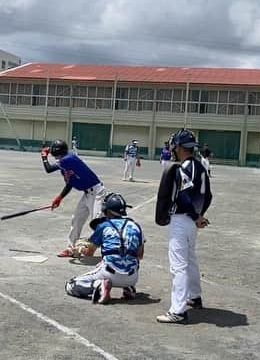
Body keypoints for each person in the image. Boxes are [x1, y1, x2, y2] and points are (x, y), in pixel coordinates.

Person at [155, 129, 212, 324]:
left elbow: (183, 195)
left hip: (182, 219)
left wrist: (195, 215)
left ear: (178, 147)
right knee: (190, 259)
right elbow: (208, 196)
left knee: (178, 265)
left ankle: (178, 310)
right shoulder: (200, 167)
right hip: (192, 222)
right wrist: (199, 215)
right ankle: (194, 297)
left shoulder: (184, 167)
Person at [65, 193, 144, 304]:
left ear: (108, 210)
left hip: (109, 273)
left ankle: (99, 286)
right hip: (133, 277)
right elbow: (140, 255)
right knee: (128, 258)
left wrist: (80, 249)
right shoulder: (136, 226)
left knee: (71, 285)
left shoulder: (103, 226)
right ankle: (128, 287)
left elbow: (89, 253)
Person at [41, 139, 106, 257]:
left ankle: (108, 254)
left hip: (97, 192)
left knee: (98, 224)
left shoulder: (68, 159)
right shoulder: (65, 163)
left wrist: (44, 156)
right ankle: (71, 249)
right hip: (87, 194)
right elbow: (70, 183)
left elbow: (48, 169)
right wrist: (59, 198)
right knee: (76, 219)